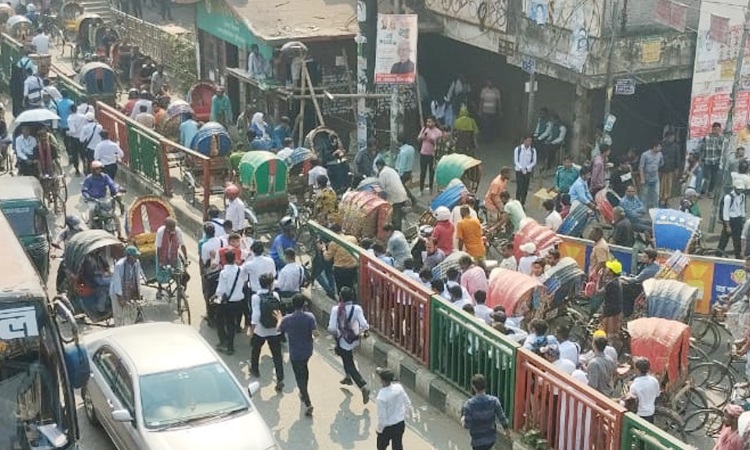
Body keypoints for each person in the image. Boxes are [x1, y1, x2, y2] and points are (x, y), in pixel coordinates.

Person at [275, 294, 317, 416]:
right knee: (304, 370)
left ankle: (308, 402)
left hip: (295, 352)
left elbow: (278, 330)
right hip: (307, 350)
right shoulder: (310, 317)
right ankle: (303, 392)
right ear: (304, 304)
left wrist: (279, 319)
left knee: (299, 376)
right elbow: (315, 332)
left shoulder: (287, 319)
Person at [327, 287, 371, 403]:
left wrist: (338, 334)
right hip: (354, 338)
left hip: (342, 340)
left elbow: (331, 328)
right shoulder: (357, 308)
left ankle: (362, 385)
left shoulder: (336, 309)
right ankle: (347, 377)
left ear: (340, 297)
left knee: (348, 362)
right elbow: (365, 325)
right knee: (346, 356)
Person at [250, 273, 285, 391]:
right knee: (277, 355)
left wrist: (252, 328)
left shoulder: (256, 297)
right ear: (270, 284)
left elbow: (256, 315)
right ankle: (280, 378)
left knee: (256, 349)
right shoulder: (275, 295)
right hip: (274, 330)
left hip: (261, 329)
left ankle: (255, 369)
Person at [461, 374, 510, 450]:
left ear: (474, 387)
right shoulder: (494, 401)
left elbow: (467, 425)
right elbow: (502, 417)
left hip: (477, 441)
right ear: (485, 386)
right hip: (490, 439)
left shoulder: (469, 405)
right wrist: (506, 430)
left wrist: (463, 420)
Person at [213, 250, 245, 355]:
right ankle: (230, 345)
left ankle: (224, 342)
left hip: (226, 302)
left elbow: (220, 290)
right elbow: (244, 281)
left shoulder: (224, 273)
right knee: (232, 323)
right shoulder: (241, 270)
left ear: (225, 259)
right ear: (235, 258)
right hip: (238, 301)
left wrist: (215, 299)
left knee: (220, 321)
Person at [375, 367, 412, 450]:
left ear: (382, 380)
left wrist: (379, 429)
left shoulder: (381, 397)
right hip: (400, 424)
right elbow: (407, 403)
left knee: (381, 446)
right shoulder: (399, 388)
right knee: (398, 445)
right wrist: (406, 415)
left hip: (387, 427)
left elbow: (382, 417)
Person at [109, 245, 144, 327]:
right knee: (119, 315)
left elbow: (137, 278)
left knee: (131, 312)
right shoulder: (119, 265)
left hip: (129, 289)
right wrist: (120, 297)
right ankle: (118, 331)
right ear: (128, 256)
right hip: (117, 292)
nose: (136, 258)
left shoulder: (136, 262)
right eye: (134, 256)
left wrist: (138, 292)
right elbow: (117, 282)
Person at [154, 217, 188, 297]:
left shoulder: (178, 231)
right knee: (160, 271)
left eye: (174, 228)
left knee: (180, 271)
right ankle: (160, 289)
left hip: (174, 254)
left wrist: (186, 258)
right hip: (162, 253)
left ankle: (180, 288)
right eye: (171, 228)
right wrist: (161, 262)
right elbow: (158, 248)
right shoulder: (161, 232)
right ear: (166, 227)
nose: (173, 230)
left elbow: (182, 245)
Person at [323, 223, 359, 290]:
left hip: (340, 269)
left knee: (340, 288)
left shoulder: (333, 243)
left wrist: (324, 249)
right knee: (350, 286)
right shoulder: (353, 238)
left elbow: (327, 258)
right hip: (352, 267)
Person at [598, 260, 624, 352]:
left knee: (609, 335)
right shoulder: (617, 282)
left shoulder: (611, 284)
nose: (606, 269)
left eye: (608, 268)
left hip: (611, 313)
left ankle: (610, 351)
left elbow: (598, 292)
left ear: (611, 272)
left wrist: (599, 277)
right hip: (616, 311)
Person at [625, 357, 660, 423]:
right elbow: (657, 394)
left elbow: (631, 401)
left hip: (639, 414)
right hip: (650, 412)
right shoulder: (654, 381)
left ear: (637, 369)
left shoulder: (634, 386)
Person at [377, 159, 409, 230]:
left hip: (395, 198)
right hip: (402, 194)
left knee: (395, 218)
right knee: (399, 216)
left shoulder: (382, 173)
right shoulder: (391, 170)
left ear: (379, 166)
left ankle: (397, 232)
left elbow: (382, 189)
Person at [720, 179, 747, 259]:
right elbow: (725, 212)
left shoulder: (742, 196)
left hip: (738, 220)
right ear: (734, 188)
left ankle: (738, 257)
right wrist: (727, 226)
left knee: (737, 241)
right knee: (723, 240)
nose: (740, 190)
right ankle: (718, 255)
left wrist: (743, 218)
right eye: (738, 189)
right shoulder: (728, 197)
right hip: (730, 220)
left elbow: (742, 208)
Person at [699, 122, 726, 196]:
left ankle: (710, 192)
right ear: (712, 129)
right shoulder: (706, 137)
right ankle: (702, 192)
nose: (717, 131)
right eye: (715, 129)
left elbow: (724, 150)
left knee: (714, 177)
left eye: (718, 129)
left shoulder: (722, 138)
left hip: (716, 161)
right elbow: (701, 149)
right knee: (706, 177)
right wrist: (700, 160)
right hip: (707, 160)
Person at [417, 116, 443, 194]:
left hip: (432, 154)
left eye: (430, 122)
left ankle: (431, 188)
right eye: (427, 122)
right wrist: (422, 137)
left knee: (431, 172)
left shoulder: (438, 132)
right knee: (423, 172)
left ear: (434, 123)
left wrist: (433, 141)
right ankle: (421, 189)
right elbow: (418, 139)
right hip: (423, 153)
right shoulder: (424, 129)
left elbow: (439, 144)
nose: (428, 123)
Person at [639, 139, 664, 209]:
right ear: (654, 147)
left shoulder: (660, 154)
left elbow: (661, 163)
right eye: (659, 147)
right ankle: (642, 209)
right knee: (644, 194)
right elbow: (641, 167)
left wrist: (655, 169)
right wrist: (642, 178)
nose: (660, 148)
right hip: (646, 178)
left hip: (655, 178)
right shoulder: (645, 155)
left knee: (656, 194)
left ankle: (656, 208)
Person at [513, 136, 537, 205]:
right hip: (519, 171)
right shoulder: (518, 149)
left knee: (525, 188)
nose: (529, 142)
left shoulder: (532, 150)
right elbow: (516, 161)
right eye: (527, 141)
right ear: (524, 141)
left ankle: (522, 203)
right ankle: (517, 203)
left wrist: (527, 168)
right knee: (519, 187)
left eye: (530, 141)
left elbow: (534, 161)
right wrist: (521, 168)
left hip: (528, 171)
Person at [394, 134, 417, 205]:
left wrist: (398, 174)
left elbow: (402, 165)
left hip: (403, 172)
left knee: (401, 187)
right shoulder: (411, 148)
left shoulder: (403, 152)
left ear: (400, 142)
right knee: (403, 186)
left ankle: (409, 199)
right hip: (409, 170)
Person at [660, 131, 680, 206]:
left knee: (669, 185)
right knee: (661, 185)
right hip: (661, 169)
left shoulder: (676, 146)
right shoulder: (661, 145)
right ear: (666, 137)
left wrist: (677, 169)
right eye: (670, 137)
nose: (672, 138)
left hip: (671, 169)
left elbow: (677, 158)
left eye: (673, 137)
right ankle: (660, 199)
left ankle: (667, 200)